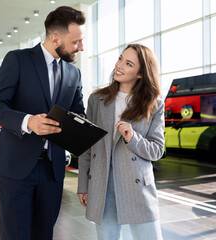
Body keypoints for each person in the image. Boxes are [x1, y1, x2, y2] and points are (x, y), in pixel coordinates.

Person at [0, 6, 86, 240]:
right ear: (55, 39)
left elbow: (78, 115)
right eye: (76, 42)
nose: (81, 48)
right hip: (16, 168)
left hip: (52, 170)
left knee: (44, 234)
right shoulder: (17, 60)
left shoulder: (74, 74)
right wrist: (28, 121)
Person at [77, 44, 164, 240]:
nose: (119, 65)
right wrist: (83, 184)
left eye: (128, 63)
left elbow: (157, 150)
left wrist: (132, 138)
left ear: (141, 74)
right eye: (120, 58)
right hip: (102, 183)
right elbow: (86, 146)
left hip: (137, 184)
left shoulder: (154, 104)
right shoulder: (97, 99)